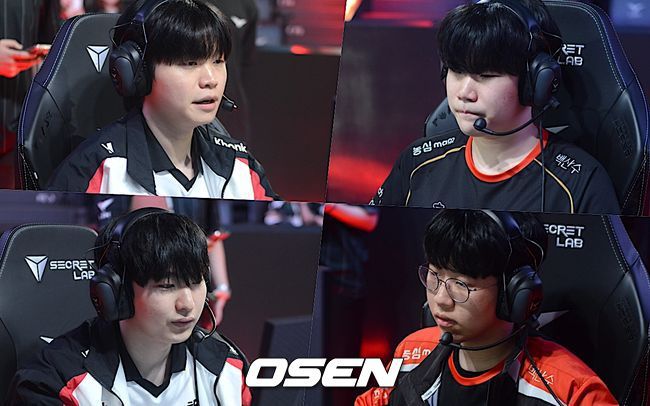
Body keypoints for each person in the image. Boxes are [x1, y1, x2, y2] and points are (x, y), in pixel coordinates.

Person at [370, 0, 620, 215]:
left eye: (486, 75)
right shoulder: (417, 162)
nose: (464, 93)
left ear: (535, 82)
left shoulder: (580, 184)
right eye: (457, 71)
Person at [355, 209, 617, 405]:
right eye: (434, 275)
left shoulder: (571, 390)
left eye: (461, 284)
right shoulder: (413, 351)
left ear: (512, 293)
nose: (441, 299)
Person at [7, 208, 251, 405]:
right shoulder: (54, 381)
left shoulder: (227, 367)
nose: (187, 304)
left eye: (196, 282)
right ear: (117, 292)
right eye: (167, 286)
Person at [47, 0, 277, 200]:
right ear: (138, 72)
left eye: (218, 61)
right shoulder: (96, 169)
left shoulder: (241, 166)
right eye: (189, 63)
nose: (210, 80)